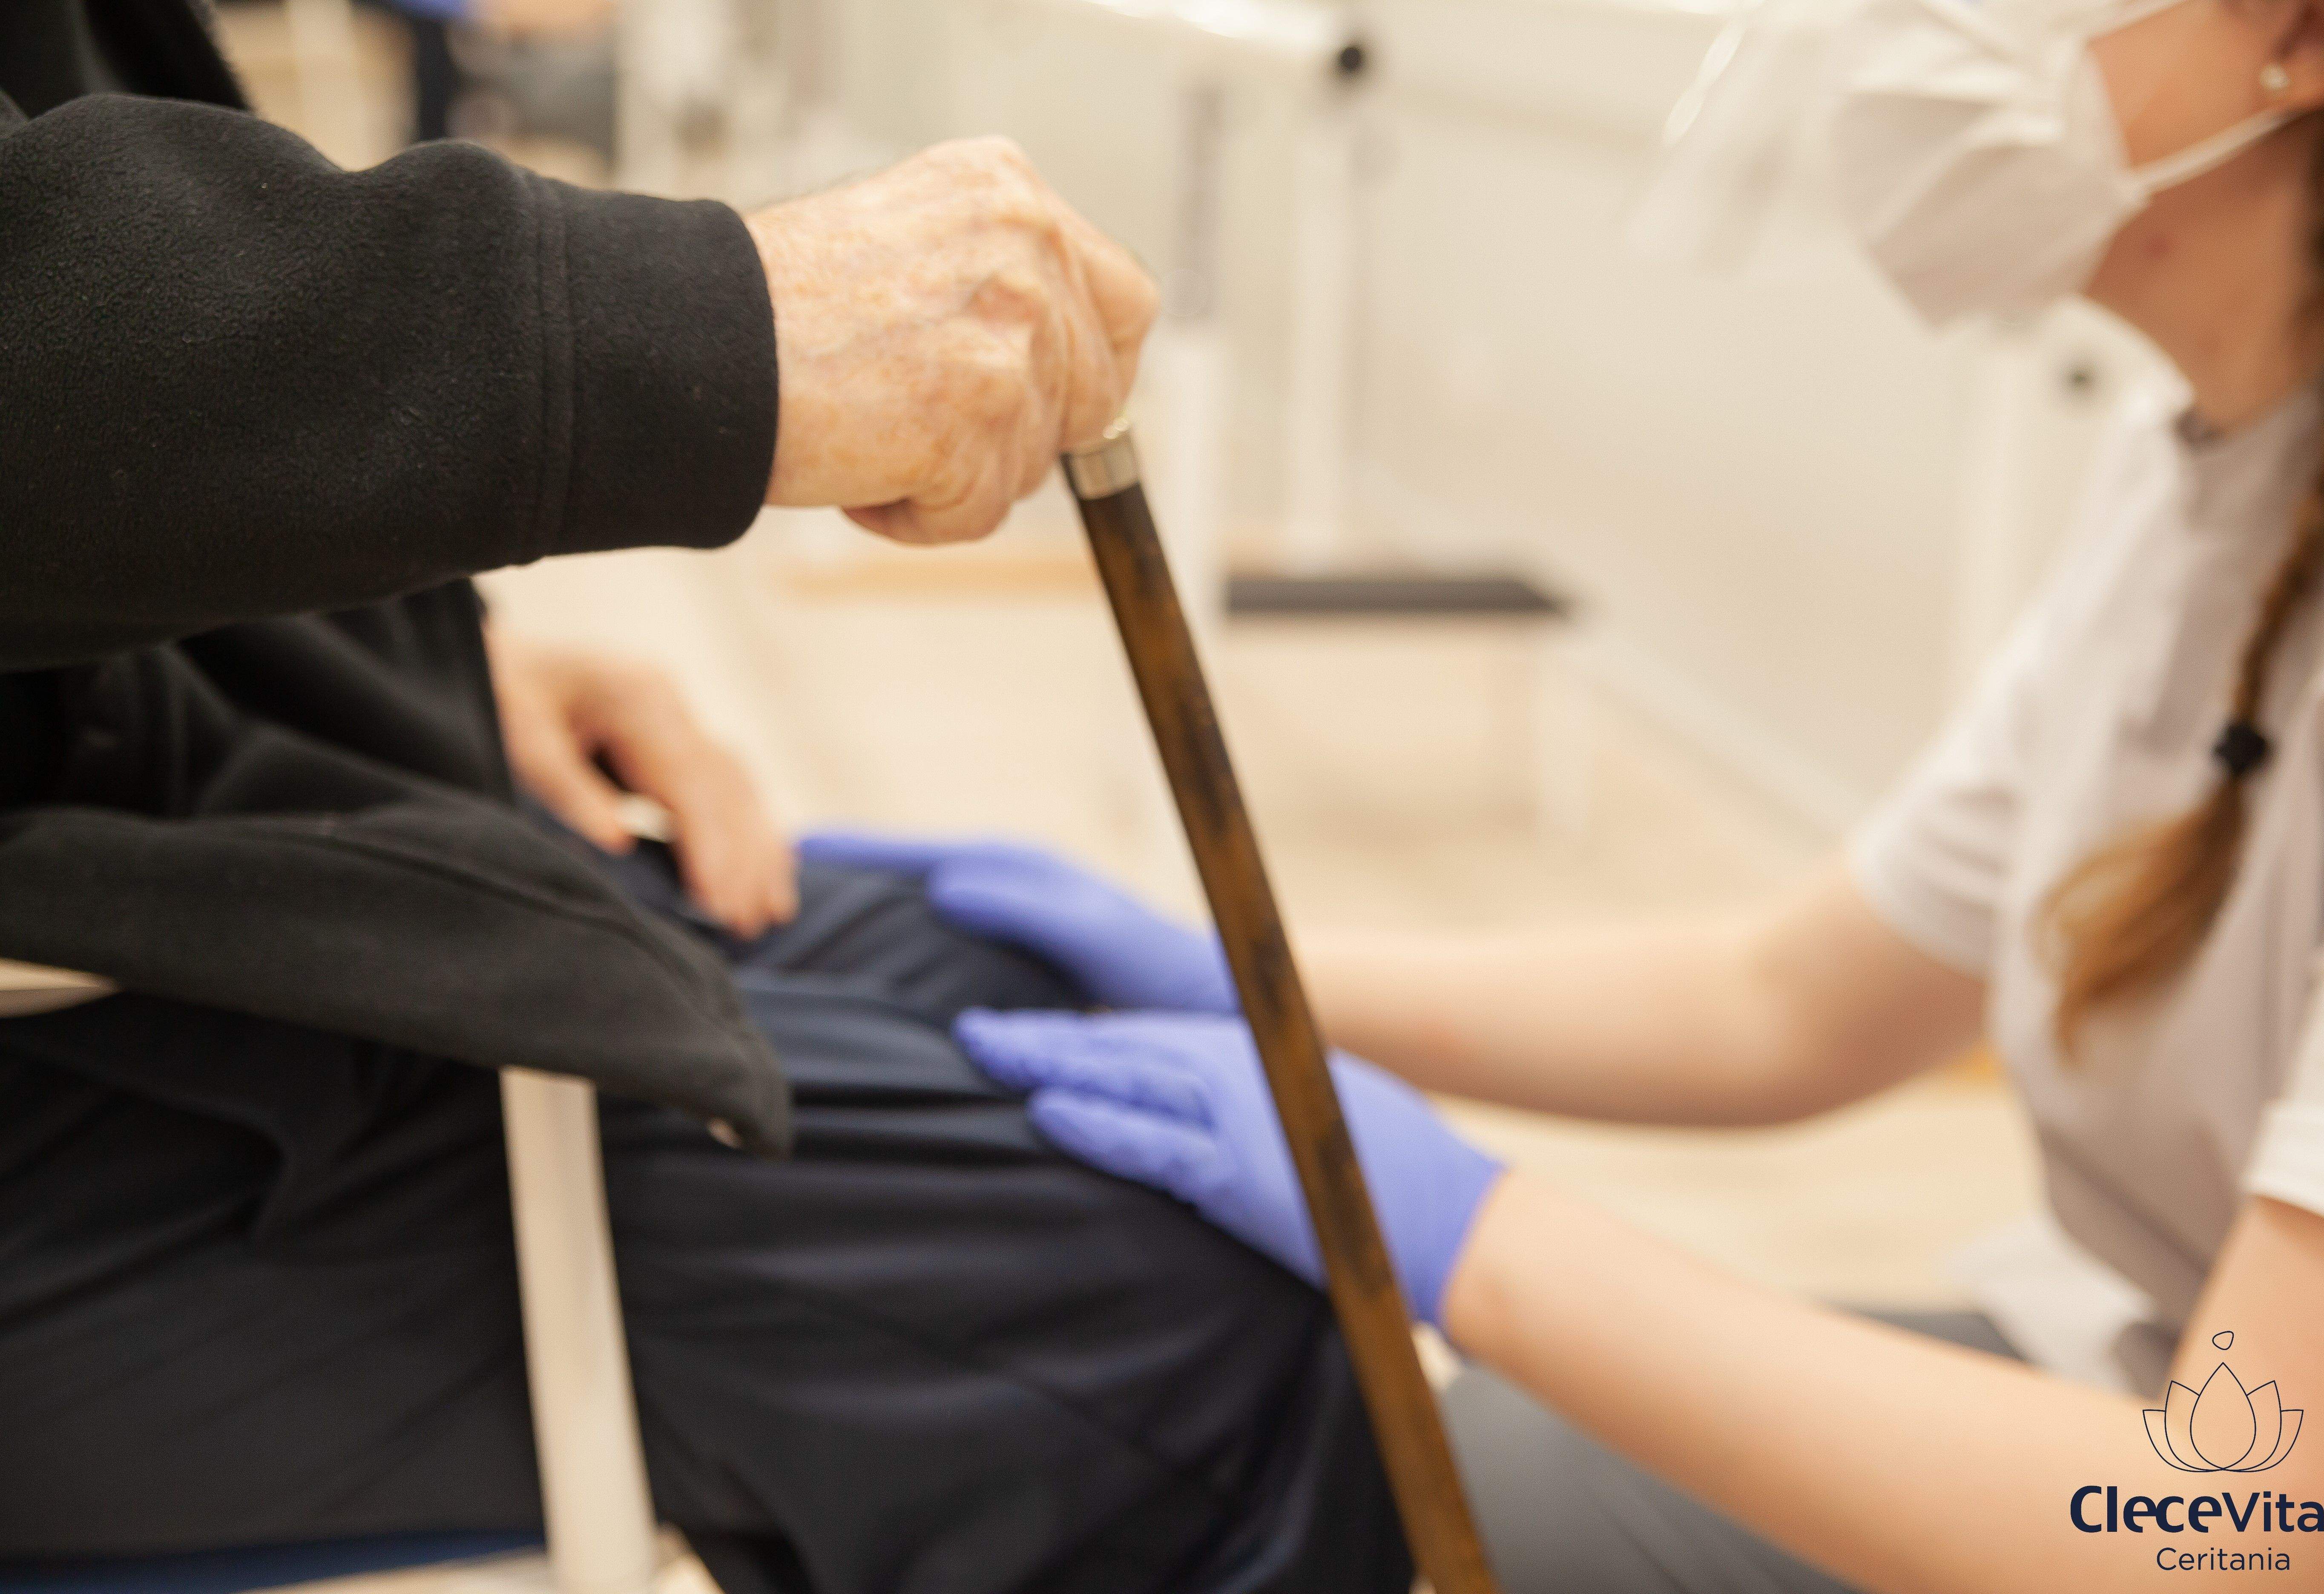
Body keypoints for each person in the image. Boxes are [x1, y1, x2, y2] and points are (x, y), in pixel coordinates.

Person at [825, 0, 2324, 1585]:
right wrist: (1243, 980)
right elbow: (1783, 1004)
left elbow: (2273, 1529)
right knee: (1467, 1461)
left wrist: (1473, 1238)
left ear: (2310, 37)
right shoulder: (2203, 471)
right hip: (2151, 1398)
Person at [0, 4, 1413, 1591]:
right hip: (88, 1016)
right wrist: (694, 328)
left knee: (1019, 983)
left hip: (168, 785)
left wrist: (393, 650)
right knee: (1178, 1313)